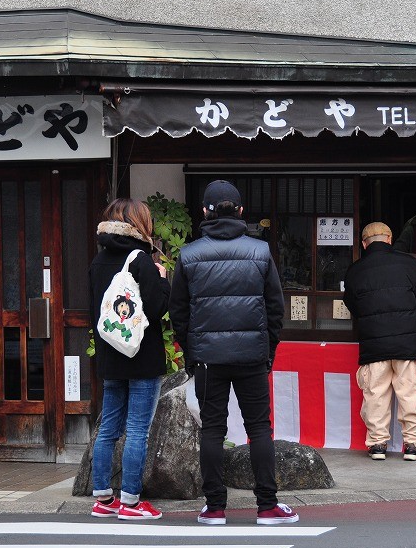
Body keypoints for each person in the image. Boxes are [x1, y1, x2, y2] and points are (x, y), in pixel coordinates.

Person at [170, 180, 299, 526]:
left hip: (208, 359)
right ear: (241, 212)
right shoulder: (260, 252)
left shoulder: (189, 255)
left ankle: (214, 508)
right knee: (259, 428)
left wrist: (192, 354)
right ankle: (268, 506)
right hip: (252, 356)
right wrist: (267, 351)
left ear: (204, 213)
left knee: (212, 429)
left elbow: (178, 313)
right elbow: (275, 309)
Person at [88, 198, 172, 521]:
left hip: (111, 356)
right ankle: (131, 502)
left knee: (108, 427)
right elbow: (157, 307)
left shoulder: (98, 261)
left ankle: (102, 498)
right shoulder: (140, 260)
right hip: (142, 358)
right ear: (139, 224)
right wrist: (162, 278)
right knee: (138, 429)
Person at [343, 221, 416, 462]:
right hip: (407, 341)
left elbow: (352, 304)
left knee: (375, 393)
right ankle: (413, 445)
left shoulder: (355, 270)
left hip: (374, 342)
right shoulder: (409, 264)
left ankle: (377, 444)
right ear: (390, 239)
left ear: (363, 244)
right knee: (410, 393)